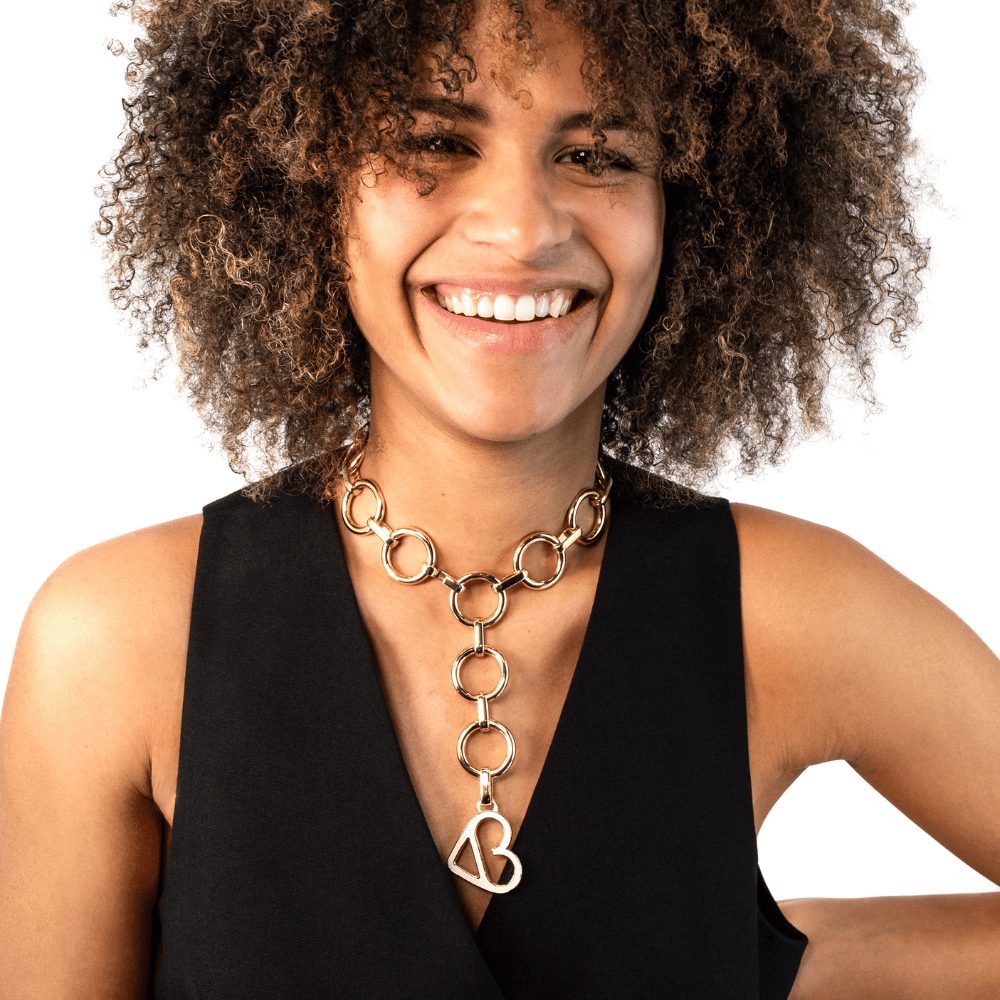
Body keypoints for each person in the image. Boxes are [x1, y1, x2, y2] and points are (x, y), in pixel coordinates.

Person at [1, 0, 998, 997]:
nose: (522, 229)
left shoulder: (787, 614)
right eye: (434, 141)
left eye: (598, 155)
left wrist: (788, 961)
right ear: (307, 183)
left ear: (695, 197)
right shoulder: (119, 644)